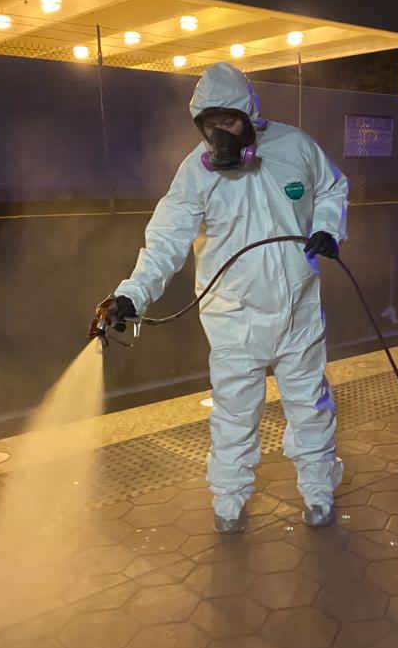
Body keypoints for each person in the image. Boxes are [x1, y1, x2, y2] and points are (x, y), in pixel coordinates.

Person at [97, 62, 349, 534]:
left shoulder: (295, 148)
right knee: (234, 416)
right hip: (234, 322)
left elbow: (333, 187)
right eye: (209, 126)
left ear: (250, 114)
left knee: (309, 407)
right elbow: (166, 242)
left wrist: (326, 229)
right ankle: (229, 503)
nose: (220, 135)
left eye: (228, 122)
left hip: (297, 313)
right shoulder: (195, 174)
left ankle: (318, 495)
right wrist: (131, 296)